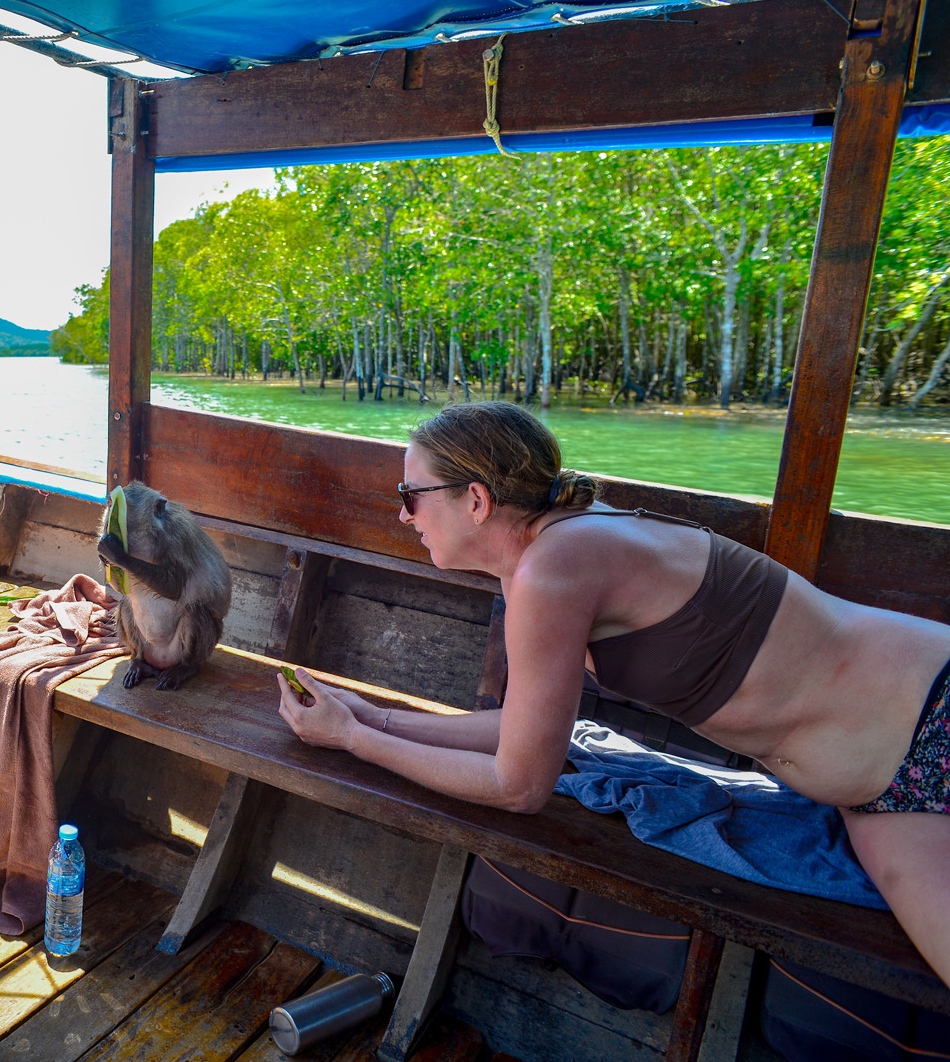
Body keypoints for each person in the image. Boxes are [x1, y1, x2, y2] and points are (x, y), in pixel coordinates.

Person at [277, 400, 950, 985]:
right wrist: (377, 717)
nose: (402, 515)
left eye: (411, 495)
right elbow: (527, 730)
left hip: (932, 714)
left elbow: (519, 784)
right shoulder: (543, 556)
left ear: (476, 500)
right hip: (874, 795)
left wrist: (354, 741)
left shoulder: (556, 565)